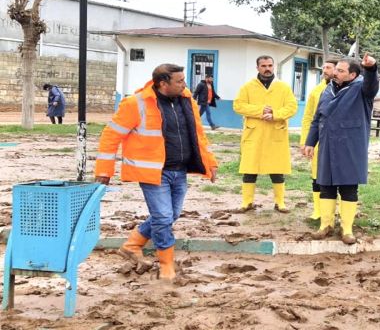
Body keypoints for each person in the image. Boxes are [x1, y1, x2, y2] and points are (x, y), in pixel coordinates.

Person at [95, 63, 218, 281]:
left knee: (172, 215)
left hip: (179, 170)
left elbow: (198, 134)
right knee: (163, 217)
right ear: (163, 84)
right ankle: (166, 266)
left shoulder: (186, 99)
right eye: (179, 81)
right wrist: (104, 170)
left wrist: (211, 162)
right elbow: (111, 136)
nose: (185, 85)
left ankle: (133, 244)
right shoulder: (136, 103)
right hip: (153, 173)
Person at [304, 54, 379, 245]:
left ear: (352, 75)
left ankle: (347, 229)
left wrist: (371, 68)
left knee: (348, 188)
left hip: (351, 146)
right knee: (325, 186)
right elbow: (317, 118)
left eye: (340, 70)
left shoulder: (361, 89)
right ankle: (326, 225)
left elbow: (372, 86)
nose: (335, 73)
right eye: (336, 69)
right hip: (328, 144)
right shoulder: (327, 90)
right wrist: (310, 142)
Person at [233, 55, 298, 213]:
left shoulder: (283, 87)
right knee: (250, 169)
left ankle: (280, 202)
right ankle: (247, 202)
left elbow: (292, 107)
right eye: (263, 66)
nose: (267, 68)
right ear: (257, 68)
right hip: (254, 134)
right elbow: (238, 106)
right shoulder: (248, 87)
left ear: (273, 66)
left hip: (275, 132)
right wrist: (260, 110)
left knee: (277, 169)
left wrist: (275, 114)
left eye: (270, 65)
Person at [300, 59, 337, 220]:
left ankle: (340, 209)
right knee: (317, 175)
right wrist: (305, 140)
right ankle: (317, 210)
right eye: (324, 68)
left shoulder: (345, 89)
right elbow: (308, 117)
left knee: (340, 176)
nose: (325, 70)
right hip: (318, 140)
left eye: (328, 68)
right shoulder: (316, 91)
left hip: (338, 140)